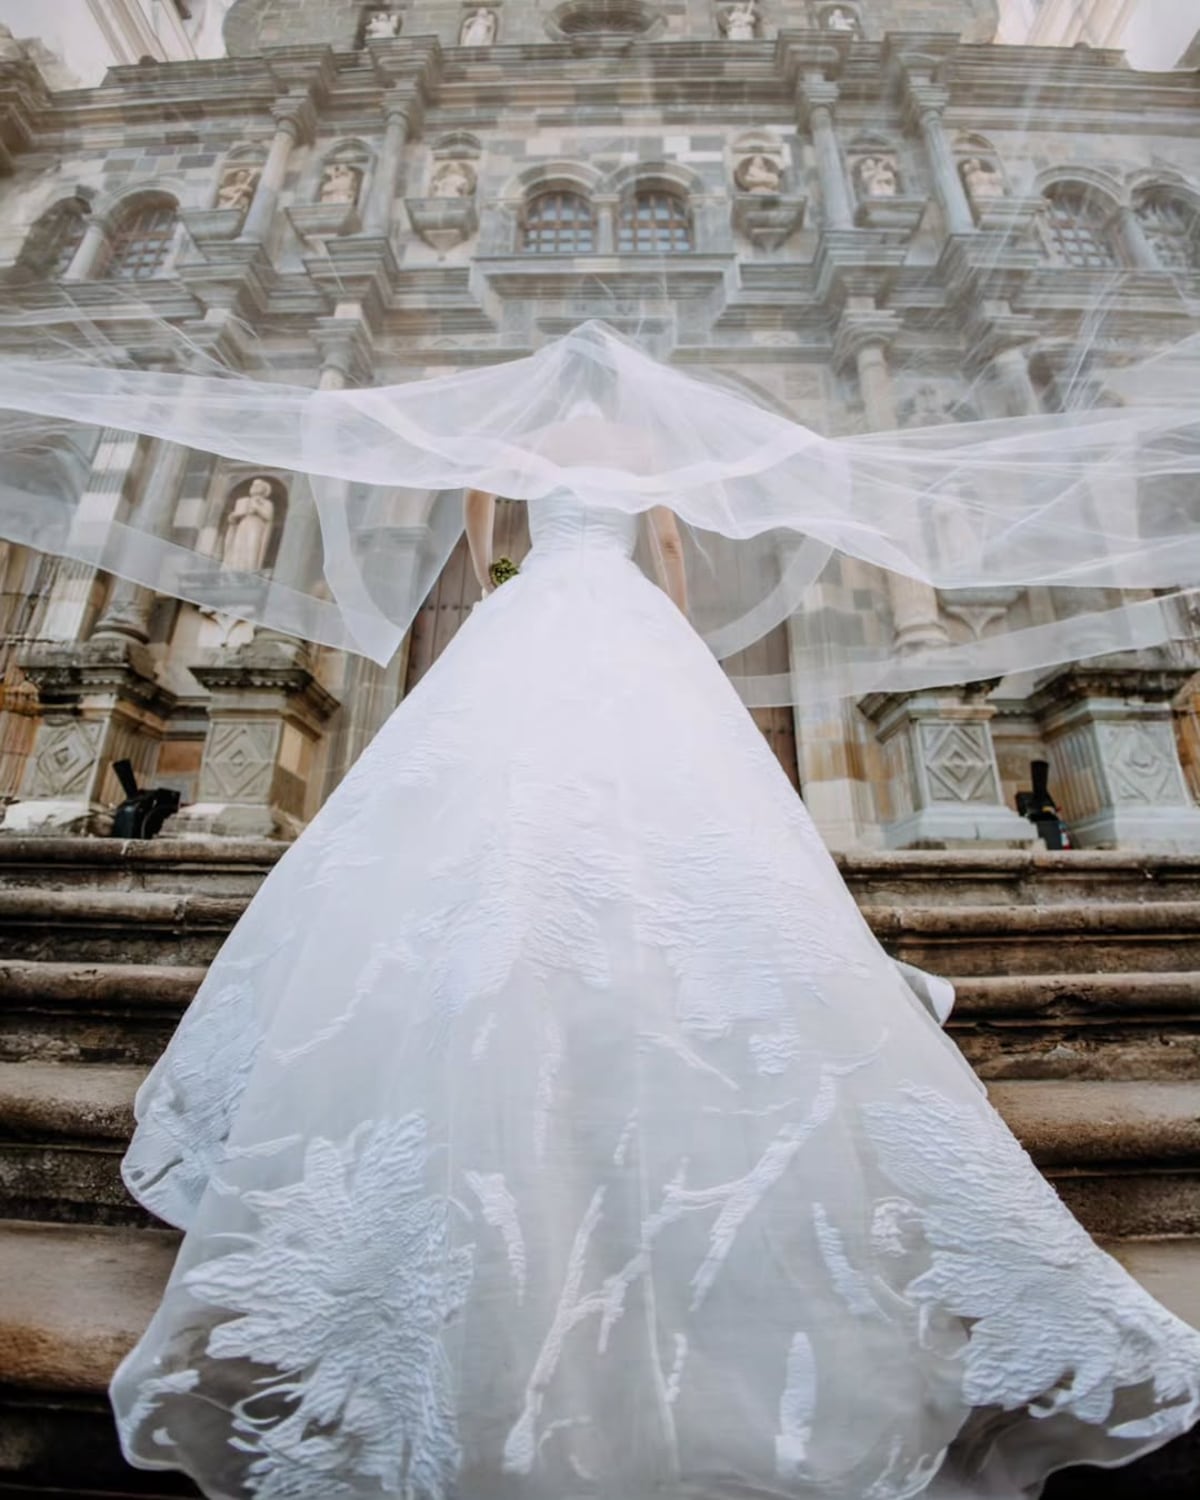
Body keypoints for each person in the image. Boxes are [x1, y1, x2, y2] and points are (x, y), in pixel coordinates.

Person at [100, 385, 1200, 1497]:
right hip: (624, 614)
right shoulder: (643, 446)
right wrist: (670, 625)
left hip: (538, 616)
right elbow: (668, 545)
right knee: (667, 806)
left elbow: (479, 532)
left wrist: (500, 586)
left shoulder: (515, 434)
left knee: (502, 803)